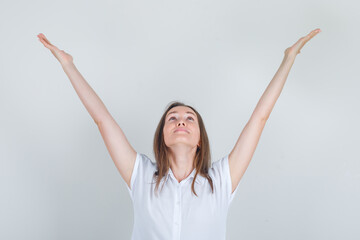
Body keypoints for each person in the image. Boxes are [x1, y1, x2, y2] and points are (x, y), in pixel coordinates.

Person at [37, 28, 321, 240]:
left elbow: (259, 118)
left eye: (189, 118)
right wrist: (68, 65)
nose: (181, 121)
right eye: (172, 118)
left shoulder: (221, 181)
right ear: (163, 135)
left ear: (200, 140)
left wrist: (288, 59)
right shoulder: (141, 176)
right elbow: (103, 120)